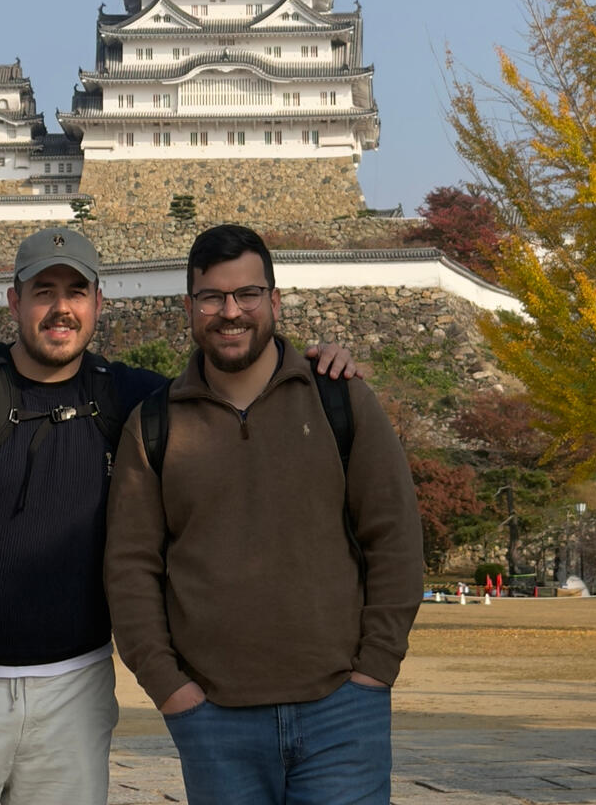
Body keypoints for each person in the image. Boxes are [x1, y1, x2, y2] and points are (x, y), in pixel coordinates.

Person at [0, 226, 357, 805]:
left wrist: (312, 366)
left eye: (75, 292)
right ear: (14, 301)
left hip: (76, 688)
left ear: (98, 303)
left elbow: (231, 392)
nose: (60, 309)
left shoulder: (132, 400)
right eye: (43, 292)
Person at [105, 223, 424, 805]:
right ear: (189, 308)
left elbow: (395, 537)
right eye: (212, 297)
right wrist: (170, 688)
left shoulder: (339, 397)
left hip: (342, 714)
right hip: (214, 720)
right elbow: (130, 567)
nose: (231, 312)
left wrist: (375, 669)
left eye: (247, 294)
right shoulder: (155, 424)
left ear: (274, 301)